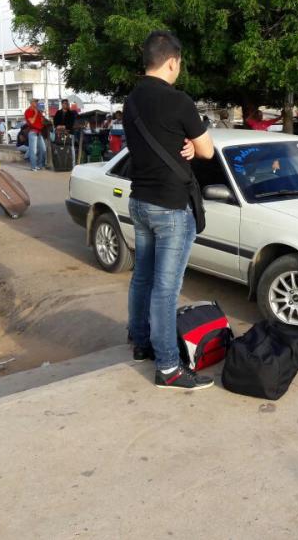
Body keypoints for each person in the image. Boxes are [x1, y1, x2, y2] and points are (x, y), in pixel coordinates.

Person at [125, 30, 215, 391]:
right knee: (165, 288)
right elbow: (207, 151)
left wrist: (187, 147)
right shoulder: (179, 101)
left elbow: (156, 144)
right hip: (171, 207)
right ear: (172, 62)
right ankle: (168, 368)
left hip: (139, 202)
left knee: (142, 277)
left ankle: (141, 342)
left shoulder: (130, 101)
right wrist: (195, 147)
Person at [24, 99, 46, 171]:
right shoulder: (28, 111)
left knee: (43, 149)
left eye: (37, 102)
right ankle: (33, 166)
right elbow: (32, 122)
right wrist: (36, 113)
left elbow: (42, 122)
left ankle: (40, 165)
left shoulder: (38, 111)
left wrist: (42, 117)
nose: (37, 103)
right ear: (31, 103)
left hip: (39, 132)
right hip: (33, 132)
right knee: (33, 151)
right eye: (35, 102)